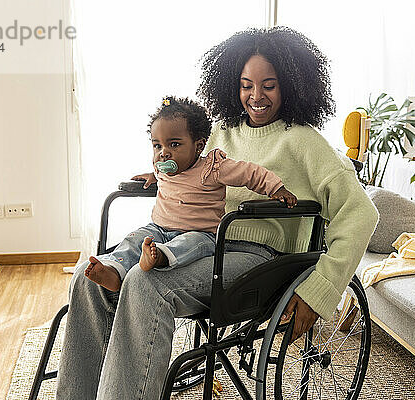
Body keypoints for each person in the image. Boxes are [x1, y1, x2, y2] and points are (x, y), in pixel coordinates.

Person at [55, 26, 378, 400]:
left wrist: (319, 291)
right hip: (203, 243)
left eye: (268, 84)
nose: (256, 96)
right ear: (232, 85)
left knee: (147, 284)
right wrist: (159, 175)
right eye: (246, 84)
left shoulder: (306, 142)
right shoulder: (221, 130)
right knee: (88, 276)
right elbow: (187, 165)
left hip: (261, 260)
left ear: (290, 83)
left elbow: (361, 214)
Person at [84, 95, 297, 293]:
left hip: (200, 233)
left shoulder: (212, 168)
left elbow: (250, 173)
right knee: (135, 239)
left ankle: (160, 258)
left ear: (199, 146)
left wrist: (275, 188)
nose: (163, 152)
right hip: (158, 228)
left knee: (190, 245)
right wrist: (152, 175)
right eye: (157, 145)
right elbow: (161, 175)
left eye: (174, 144)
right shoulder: (162, 167)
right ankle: (113, 270)